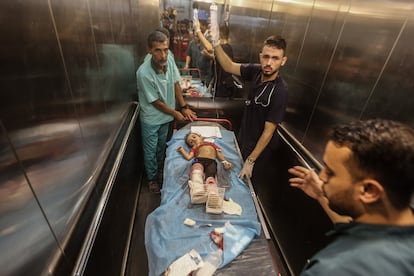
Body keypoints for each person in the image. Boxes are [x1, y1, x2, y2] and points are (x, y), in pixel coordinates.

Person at [288, 119, 414, 275]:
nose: (321, 177)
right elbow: (357, 228)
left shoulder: (333, 269)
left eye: (330, 172)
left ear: (369, 190)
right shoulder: (402, 230)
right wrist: (322, 195)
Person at [193, 5, 288, 181]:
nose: (269, 63)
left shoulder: (280, 91)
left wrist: (251, 160)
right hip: (244, 138)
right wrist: (216, 44)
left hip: (260, 150)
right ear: (260, 56)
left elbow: (268, 132)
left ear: (283, 61)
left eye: (275, 58)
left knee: (251, 183)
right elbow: (228, 66)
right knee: (235, 178)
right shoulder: (256, 71)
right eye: (266, 57)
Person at [136, 31, 197, 193]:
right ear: (149, 50)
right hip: (152, 117)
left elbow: (176, 83)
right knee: (150, 151)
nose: (163, 55)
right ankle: (152, 179)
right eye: (158, 50)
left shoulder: (168, 59)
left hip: (167, 116)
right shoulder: (143, 73)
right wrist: (175, 113)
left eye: (165, 49)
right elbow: (155, 101)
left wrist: (183, 106)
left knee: (162, 146)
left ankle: (162, 172)